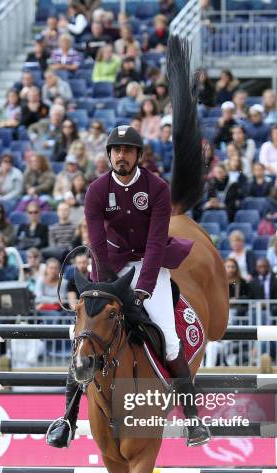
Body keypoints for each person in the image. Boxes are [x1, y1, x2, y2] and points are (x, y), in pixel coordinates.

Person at [46, 125, 210, 449]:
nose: (121, 155)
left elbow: (154, 245)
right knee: (79, 334)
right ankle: (67, 417)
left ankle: (192, 419)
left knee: (169, 336)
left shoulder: (157, 188)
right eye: (116, 150)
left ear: (138, 155)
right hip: (111, 263)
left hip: (152, 263)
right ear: (109, 155)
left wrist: (142, 290)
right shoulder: (96, 190)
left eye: (128, 150)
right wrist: (109, 287)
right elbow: (97, 244)